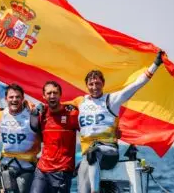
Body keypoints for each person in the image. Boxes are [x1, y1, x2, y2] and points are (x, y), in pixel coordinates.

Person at [67, 51, 165, 193]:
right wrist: (32, 106)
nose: (94, 87)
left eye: (97, 83)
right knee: (83, 186)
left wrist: (155, 64)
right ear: (86, 85)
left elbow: (137, 84)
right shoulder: (80, 101)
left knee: (93, 153)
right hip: (88, 155)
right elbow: (57, 105)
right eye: (91, 84)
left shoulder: (112, 100)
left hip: (109, 151)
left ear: (103, 84)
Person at [0, 83, 41, 193]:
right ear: (5, 99)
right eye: (11, 97)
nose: (14, 100)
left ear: (22, 98)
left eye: (18, 97)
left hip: (27, 167)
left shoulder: (32, 115)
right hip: (5, 165)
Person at [30, 81, 79, 193]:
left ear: (60, 95)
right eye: (49, 93)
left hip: (62, 170)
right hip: (42, 169)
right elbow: (23, 104)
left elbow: (89, 131)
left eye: (55, 93)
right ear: (44, 96)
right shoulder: (41, 114)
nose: (52, 96)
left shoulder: (72, 113)